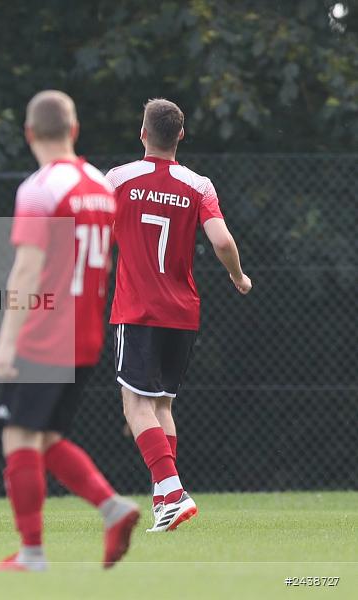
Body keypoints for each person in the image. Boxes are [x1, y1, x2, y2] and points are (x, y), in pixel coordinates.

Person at [0, 91, 140, 571]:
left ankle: (32, 553)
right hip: (86, 333)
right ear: (74, 131)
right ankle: (114, 509)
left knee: (18, 435)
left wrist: (7, 342)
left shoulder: (39, 188)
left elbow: (27, 272)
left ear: (30, 133)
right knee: (46, 438)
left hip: (46, 329)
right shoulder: (100, 185)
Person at [106, 99, 251, 532]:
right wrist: (239, 277)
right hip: (182, 310)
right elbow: (222, 241)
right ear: (181, 136)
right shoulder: (199, 185)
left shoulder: (118, 178)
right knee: (162, 404)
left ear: (143, 133)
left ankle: (172, 490)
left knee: (135, 405)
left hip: (137, 308)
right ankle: (163, 499)